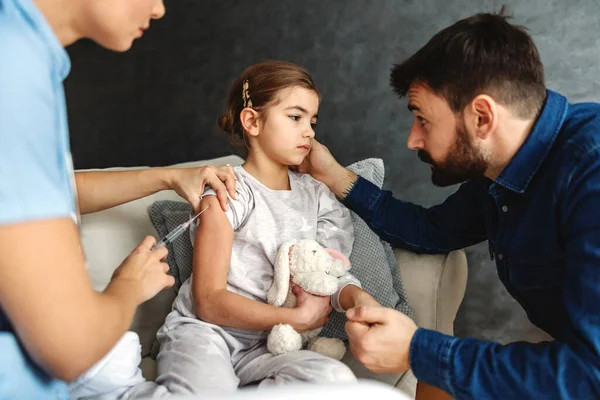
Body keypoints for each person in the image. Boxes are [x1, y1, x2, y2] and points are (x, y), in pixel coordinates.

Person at [299, 11, 600, 400]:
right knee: (437, 380)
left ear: (482, 116)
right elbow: (430, 231)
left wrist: (416, 349)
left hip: (584, 374)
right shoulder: (500, 171)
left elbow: (589, 376)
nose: (413, 139)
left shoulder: (590, 170)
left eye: (423, 120)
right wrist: (337, 177)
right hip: (576, 363)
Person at [83, 60, 388, 399]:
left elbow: (327, 273)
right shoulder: (229, 188)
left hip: (268, 346)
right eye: (295, 117)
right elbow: (209, 302)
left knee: (334, 379)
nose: (309, 132)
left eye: (313, 121)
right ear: (252, 121)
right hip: (207, 334)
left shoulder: (317, 196)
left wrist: (356, 298)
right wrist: (298, 318)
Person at [0, 0, 237, 398]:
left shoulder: (24, 54)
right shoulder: (13, 70)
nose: (160, 9)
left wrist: (166, 177)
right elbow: (72, 346)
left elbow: (39, 193)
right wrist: (129, 285)